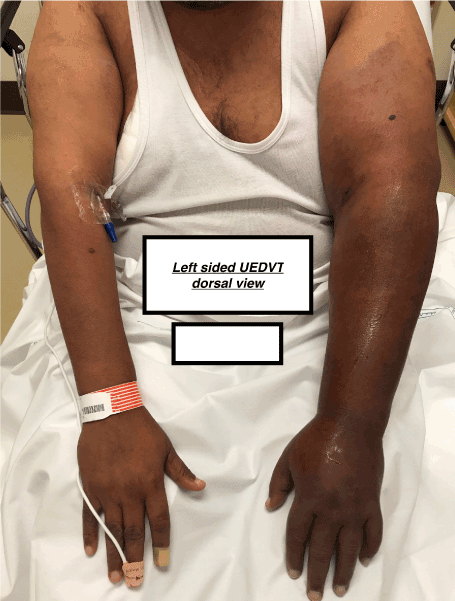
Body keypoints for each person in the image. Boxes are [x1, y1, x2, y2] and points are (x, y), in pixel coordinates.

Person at [2, 2, 452, 601]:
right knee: (80, 568)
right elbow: (73, 194)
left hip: (333, 303)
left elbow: (386, 191)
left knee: (387, 559)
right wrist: (109, 406)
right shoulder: (87, 8)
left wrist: (351, 428)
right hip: (132, 311)